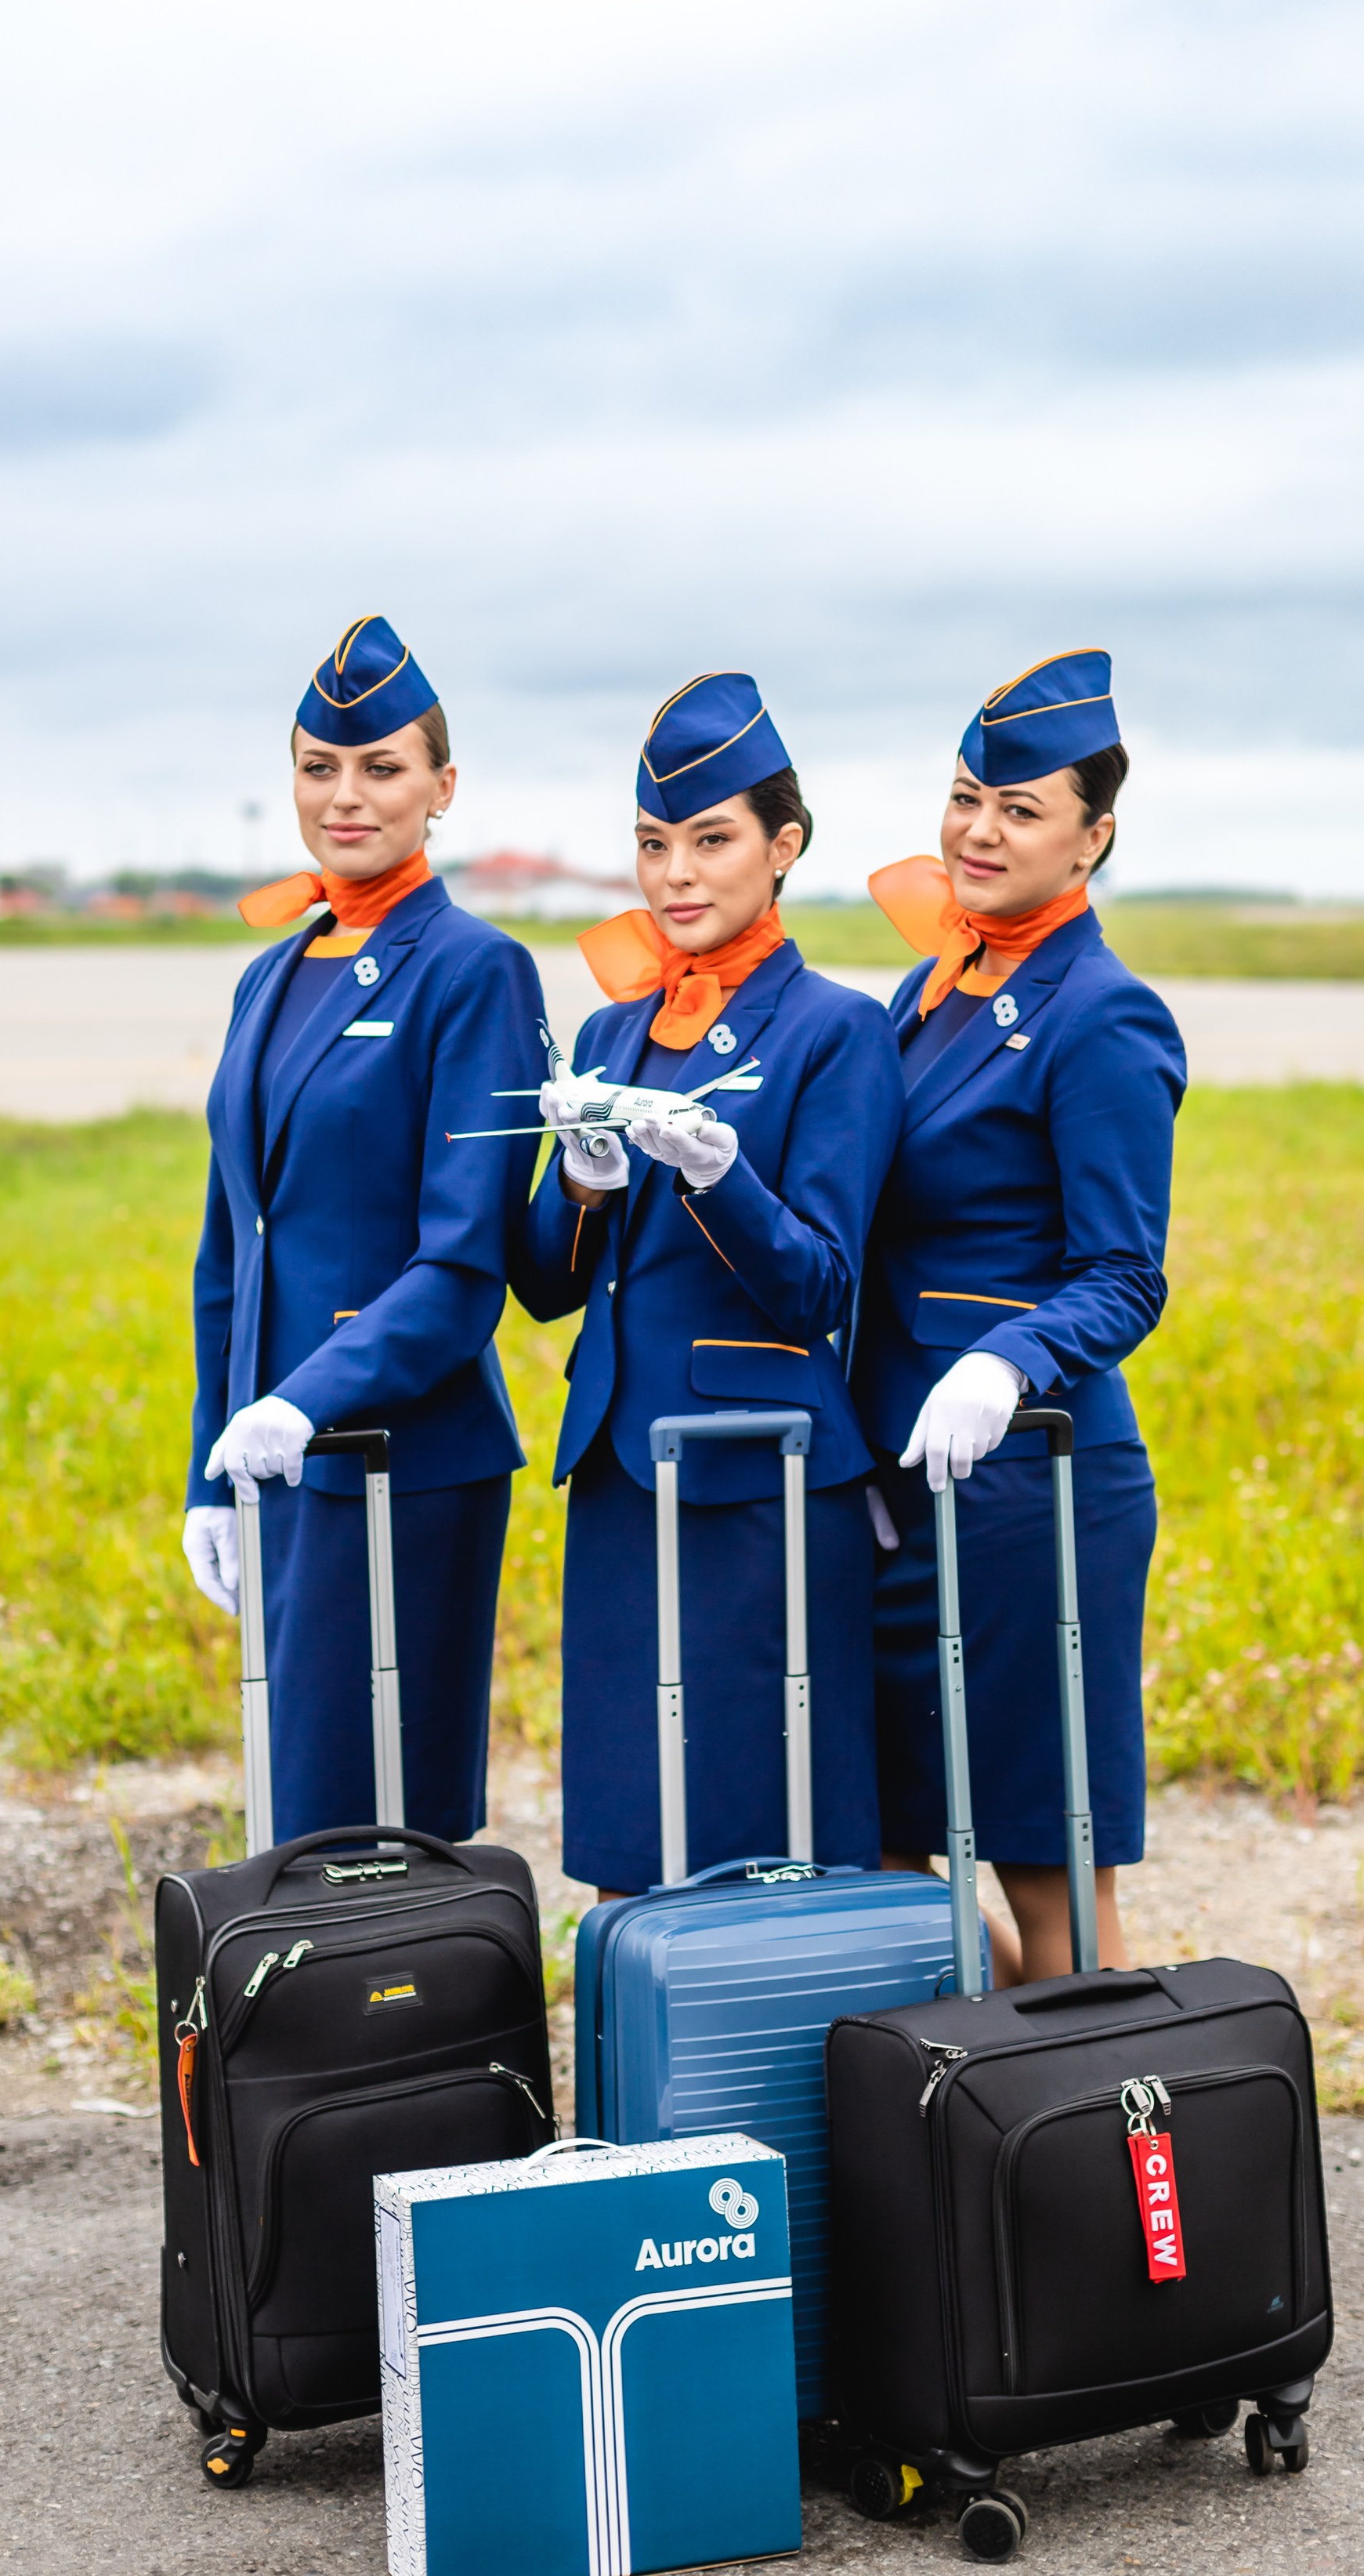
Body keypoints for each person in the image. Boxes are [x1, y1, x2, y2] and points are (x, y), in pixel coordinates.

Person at [512, 673, 904, 1895]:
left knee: (774, 1821)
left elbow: (821, 1287)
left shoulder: (839, 1030)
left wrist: (716, 1171)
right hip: (624, 1465)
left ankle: (789, 2077)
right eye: (653, 843)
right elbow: (543, 1288)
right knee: (635, 1816)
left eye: (712, 839)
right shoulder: (609, 1033)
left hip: (763, 1476)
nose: (677, 872)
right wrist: (579, 1185)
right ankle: (657, 2072)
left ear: (784, 847)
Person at [180, 617, 546, 1844]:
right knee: (291, 1815)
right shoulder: (271, 973)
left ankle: (407, 2042)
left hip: (399, 1460)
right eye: (318, 766)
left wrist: (301, 1403)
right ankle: (306, 2039)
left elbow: (461, 1268)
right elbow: (237, 1241)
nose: (346, 795)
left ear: (443, 789)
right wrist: (209, 1469)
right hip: (277, 1461)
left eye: (382, 767)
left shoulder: (474, 969)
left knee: (378, 1828)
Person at [853, 647, 1186, 1980]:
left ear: (1092, 838)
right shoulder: (931, 993)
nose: (980, 831)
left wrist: (1005, 1359)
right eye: (963, 797)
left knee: (1048, 1866)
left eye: (1022, 808)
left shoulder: (1102, 1016)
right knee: (877, 1841)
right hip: (900, 1486)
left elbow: (1126, 1271)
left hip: (1032, 1487)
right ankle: (995, 2102)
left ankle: (1097, 2153)